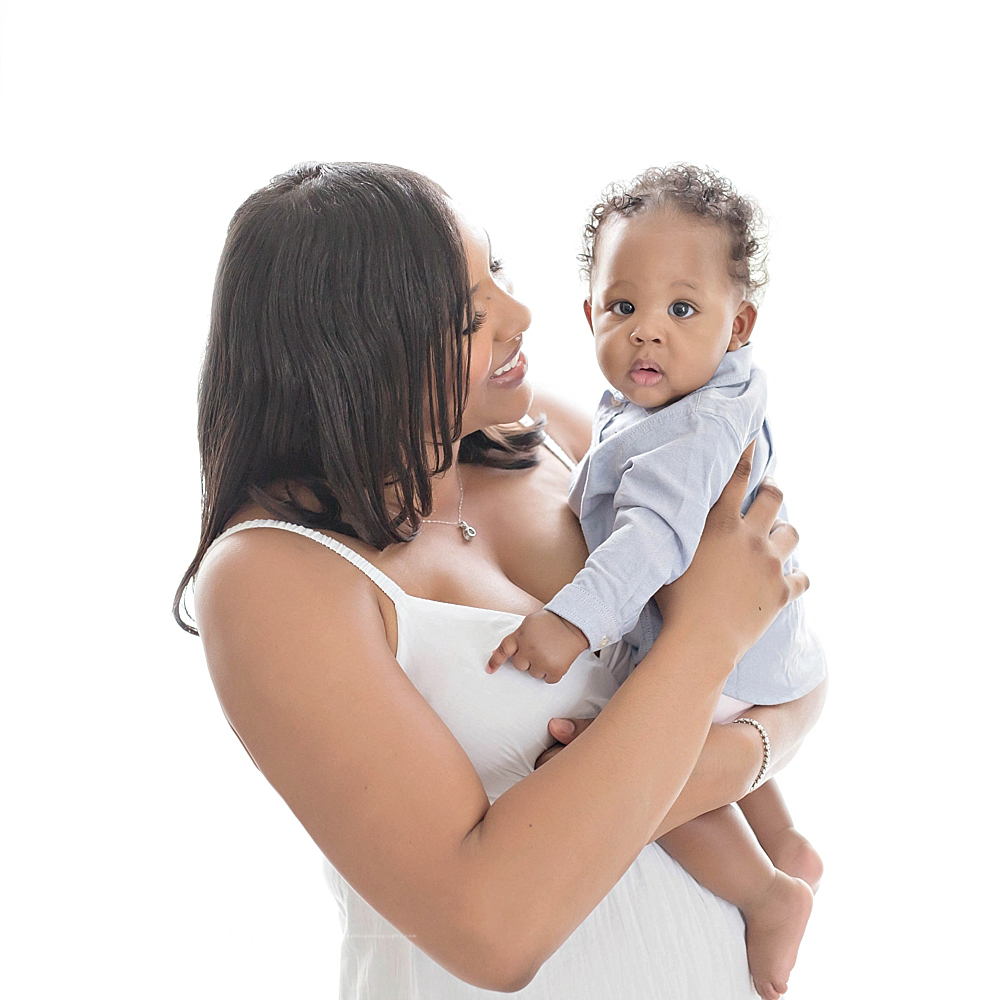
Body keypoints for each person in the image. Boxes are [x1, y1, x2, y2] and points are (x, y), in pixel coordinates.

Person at [173, 161, 827, 999]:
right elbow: (494, 931)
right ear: (357, 356)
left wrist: (718, 758)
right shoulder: (271, 577)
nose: (522, 317)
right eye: (465, 317)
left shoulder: (560, 435)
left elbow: (790, 660)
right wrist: (702, 648)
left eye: (500, 274)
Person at [495, 165, 823, 999]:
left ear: (738, 322)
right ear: (590, 314)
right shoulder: (687, 386)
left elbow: (655, 540)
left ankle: (767, 892)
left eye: (682, 310)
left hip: (725, 644)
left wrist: (569, 624)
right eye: (623, 307)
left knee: (632, 771)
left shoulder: (691, 428)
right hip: (760, 646)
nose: (648, 333)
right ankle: (786, 844)